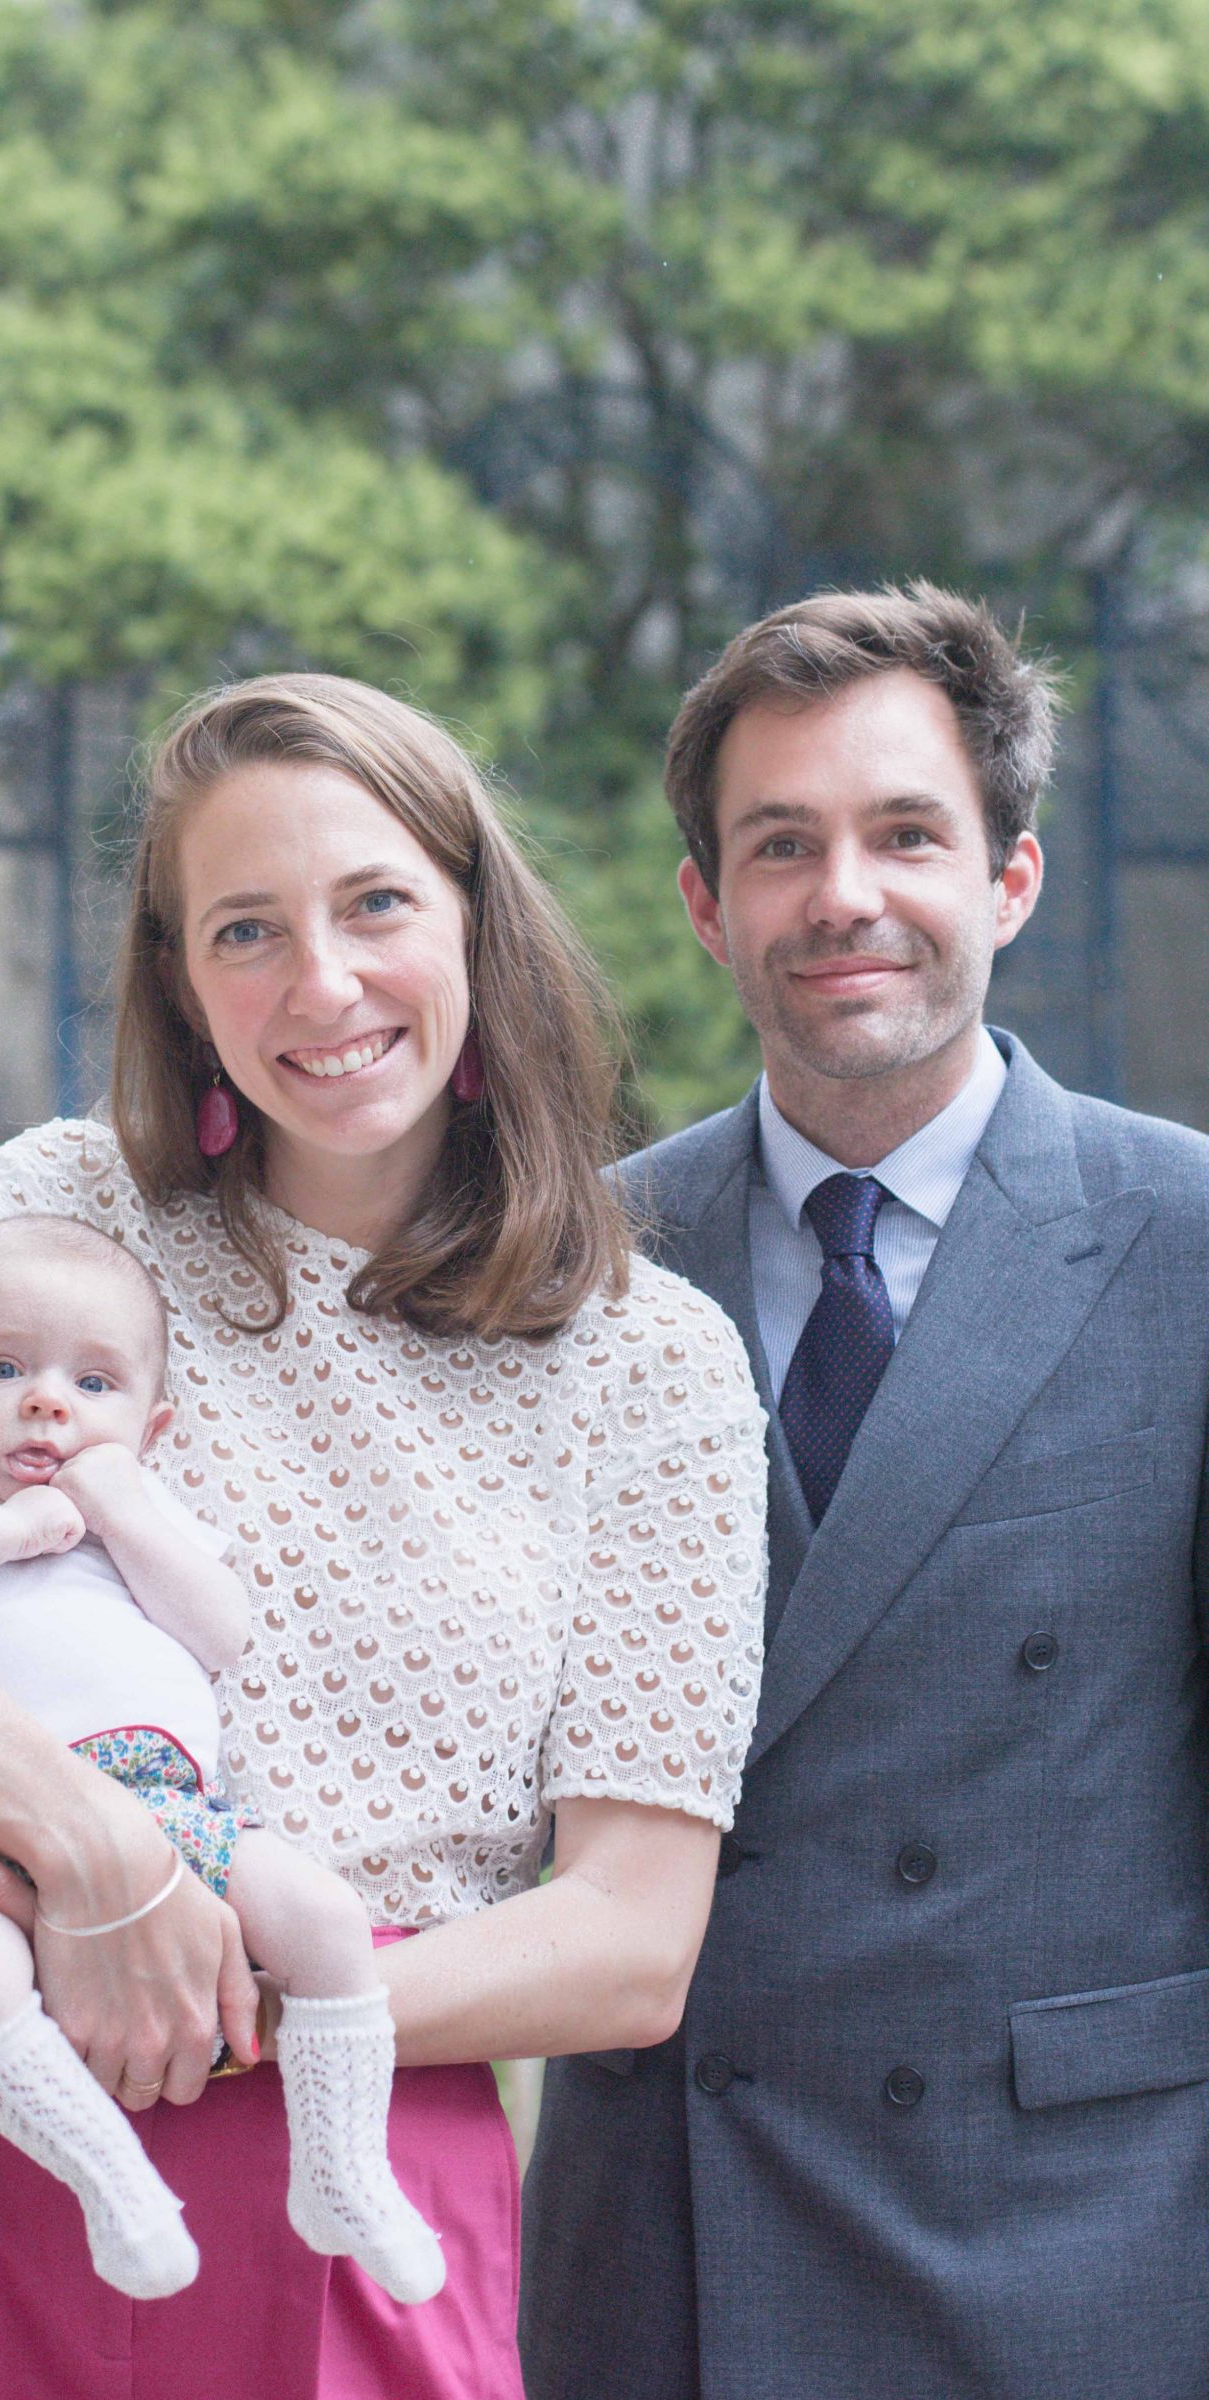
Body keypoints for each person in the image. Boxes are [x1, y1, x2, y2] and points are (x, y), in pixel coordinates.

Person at [0, 671, 769, 2400]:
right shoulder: (56, 1205)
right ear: (181, 985)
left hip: (350, 2165)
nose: (320, 984)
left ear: (476, 924)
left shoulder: (651, 1363)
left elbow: (632, 1945)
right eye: (246, 929)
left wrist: (210, 1986)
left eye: (376, 904)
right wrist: (101, 1868)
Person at [521, 583, 1209, 2400]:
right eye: (781, 845)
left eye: (906, 833)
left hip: (1077, 2240)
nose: (844, 895)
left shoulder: (1191, 1244)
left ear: (1010, 879)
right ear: (705, 906)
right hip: (669, 2238)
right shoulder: (577, 1267)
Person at [0, 1212, 442, 2306]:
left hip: (168, 1807)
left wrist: (121, 1510)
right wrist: (10, 1530)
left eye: (92, 1383)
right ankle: (114, 2185)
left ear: (149, 1428)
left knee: (326, 1922)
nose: (47, 1402)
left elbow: (221, 1630)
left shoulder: (144, 1526)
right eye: (2, 1369)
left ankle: (344, 2169)